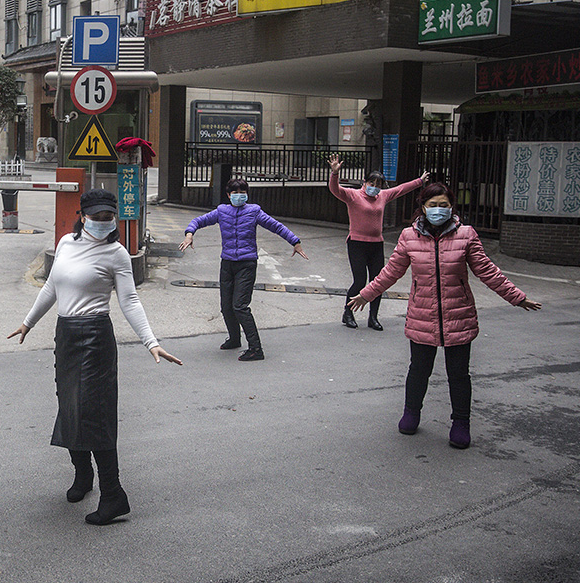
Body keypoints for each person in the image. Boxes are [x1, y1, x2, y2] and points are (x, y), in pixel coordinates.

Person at [7, 189, 182, 526]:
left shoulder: (116, 253)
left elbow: (129, 300)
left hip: (95, 338)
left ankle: (114, 494)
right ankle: (83, 475)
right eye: (97, 216)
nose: (103, 222)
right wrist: (28, 322)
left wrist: (151, 342)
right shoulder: (65, 245)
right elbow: (52, 288)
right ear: (82, 215)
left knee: (94, 414)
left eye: (108, 217)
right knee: (70, 406)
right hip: (67, 335)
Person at [349, 183, 541, 449]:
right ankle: (411, 413)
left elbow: (487, 271)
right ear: (423, 207)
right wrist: (366, 294)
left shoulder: (466, 235)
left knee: (459, 375)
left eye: (443, 205)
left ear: (451, 207)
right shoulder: (409, 236)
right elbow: (391, 272)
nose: (438, 210)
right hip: (421, 315)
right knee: (418, 370)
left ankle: (461, 423)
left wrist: (516, 297)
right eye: (433, 205)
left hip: (459, 314)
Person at [179, 177, 308, 361]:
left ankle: (256, 349)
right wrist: (189, 234)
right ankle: (234, 339)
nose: (239, 196)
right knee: (226, 306)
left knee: (239, 306)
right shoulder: (222, 211)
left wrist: (295, 241)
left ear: (247, 194)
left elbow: (276, 226)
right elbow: (199, 221)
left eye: (242, 193)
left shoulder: (254, 211)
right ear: (228, 195)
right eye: (235, 193)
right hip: (227, 263)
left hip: (247, 264)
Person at [328, 154, 428, 331]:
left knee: (377, 282)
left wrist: (419, 181)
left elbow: (401, 189)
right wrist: (335, 174)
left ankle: (373, 317)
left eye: (378, 185)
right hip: (357, 243)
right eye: (371, 184)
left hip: (376, 245)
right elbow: (336, 190)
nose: (374, 188)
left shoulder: (382, 196)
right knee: (360, 281)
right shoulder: (353, 196)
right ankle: (348, 313)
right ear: (364, 183)